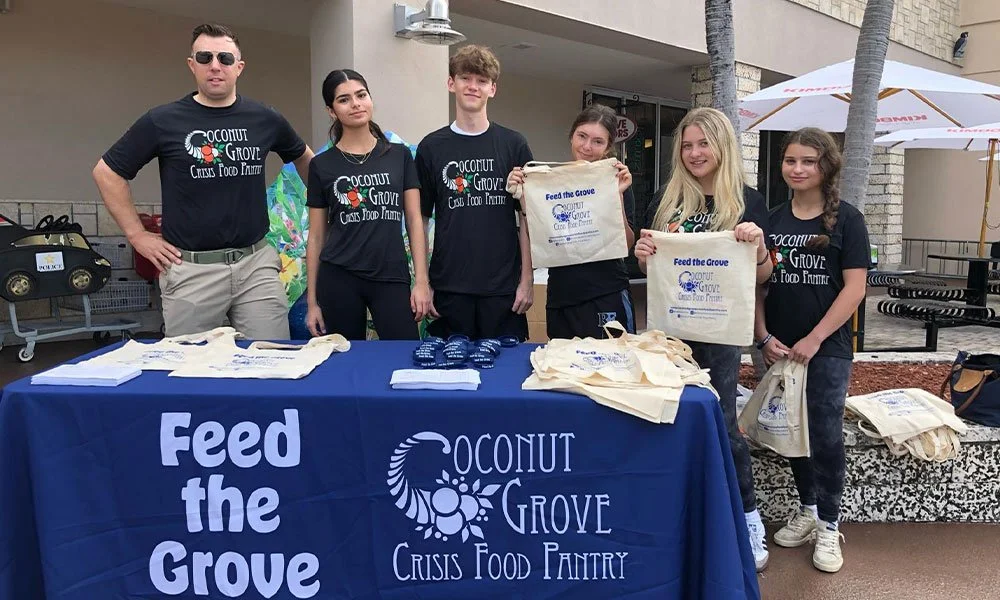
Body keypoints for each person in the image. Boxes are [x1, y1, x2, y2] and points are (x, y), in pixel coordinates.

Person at [93, 23, 313, 339]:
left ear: (239, 67)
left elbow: (305, 159)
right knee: (192, 364)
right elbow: (107, 172)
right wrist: (137, 234)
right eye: (205, 57)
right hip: (191, 271)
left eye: (225, 58)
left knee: (271, 358)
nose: (215, 65)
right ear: (191, 64)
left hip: (256, 266)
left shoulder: (265, 118)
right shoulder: (162, 120)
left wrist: (327, 210)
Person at [633, 107, 773, 571]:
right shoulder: (667, 198)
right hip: (670, 335)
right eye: (687, 145)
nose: (694, 153)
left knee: (723, 423)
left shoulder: (748, 202)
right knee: (668, 417)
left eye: (703, 143)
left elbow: (764, 275)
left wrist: (758, 246)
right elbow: (649, 266)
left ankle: (747, 518)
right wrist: (643, 253)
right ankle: (677, 517)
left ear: (722, 146)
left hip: (721, 334)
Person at [756, 127, 869, 574]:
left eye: (808, 161)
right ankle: (807, 508)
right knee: (792, 433)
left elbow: (855, 289)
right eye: (790, 160)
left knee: (824, 435)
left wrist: (816, 338)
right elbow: (758, 286)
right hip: (779, 349)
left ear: (827, 166)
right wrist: (763, 337)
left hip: (827, 348)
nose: (798, 169)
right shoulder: (771, 220)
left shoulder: (848, 221)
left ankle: (828, 524)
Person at [415, 44, 534, 341]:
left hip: (503, 288)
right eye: (465, 78)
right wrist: (422, 281)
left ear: (492, 89)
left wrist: (527, 280)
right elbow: (420, 220)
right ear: (451, 83)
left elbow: (528, 219)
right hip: (449, 287)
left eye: (482, 81)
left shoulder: (514, 144)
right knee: (451, 365)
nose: (473, 86)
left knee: (504, 366)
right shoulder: (431, 147)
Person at [304, 70, 432, 341]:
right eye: (344, 99)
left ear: (370, 99)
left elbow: (414, 220)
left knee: (403, 354)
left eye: (361, 95)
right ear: (331, 111)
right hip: (339, 276)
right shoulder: (322, 165)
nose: (356, 104)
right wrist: (313, 302)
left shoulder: (399, 156)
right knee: (345, 357)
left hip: (391, 274)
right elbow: (316, 237)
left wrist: (421, 281)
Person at [506, 105, 636, 338]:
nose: (587, 146)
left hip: (606, 294)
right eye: (582, 136)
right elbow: (538, 238)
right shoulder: (551, 183)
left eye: (598, 141)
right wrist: (525, 196)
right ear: (571, 136)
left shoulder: (616, 181)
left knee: (613, 360)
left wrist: (616, 195)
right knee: (562, 360)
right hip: (561, 297)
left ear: (608, 147)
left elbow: (625, 245)